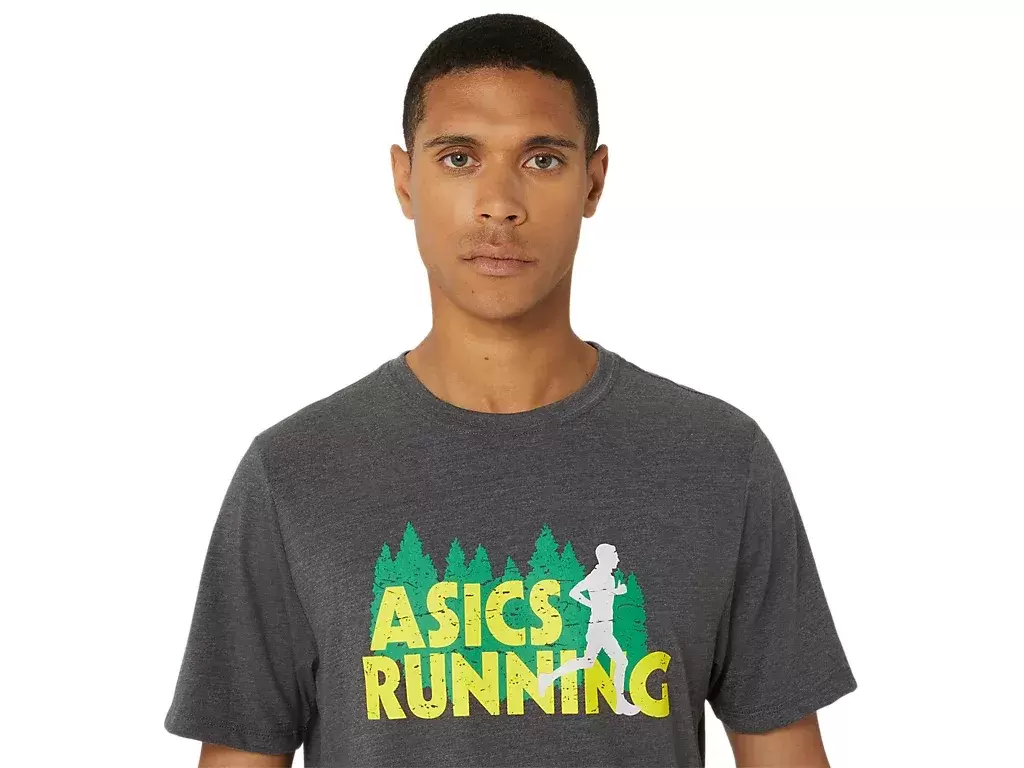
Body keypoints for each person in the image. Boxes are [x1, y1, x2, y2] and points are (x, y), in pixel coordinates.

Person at [164, 12, 857, 768]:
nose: (499, 202)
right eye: (460, 158)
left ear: (594, 181)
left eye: (543, 159)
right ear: (404, 179)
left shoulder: (719, 460)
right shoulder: (296, 472)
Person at [537, 543, 640, 716]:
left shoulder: (606, 576)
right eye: (614, 555)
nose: (618, 558)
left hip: (603, 626)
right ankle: (620, 703)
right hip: (600, 627)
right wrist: (598, 601)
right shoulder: (597, 576)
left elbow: (596, 594)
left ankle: (548, 678)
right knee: (621, 661)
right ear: (606, 558)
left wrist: (610, 594)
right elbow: (575, 592)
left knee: (587, 661)